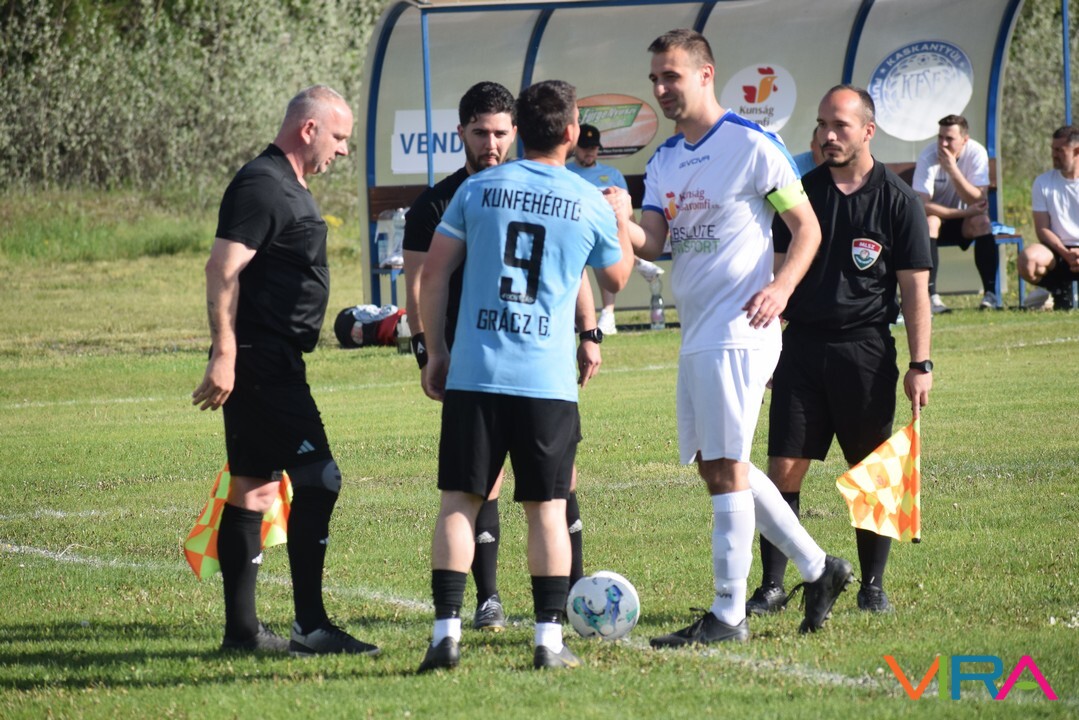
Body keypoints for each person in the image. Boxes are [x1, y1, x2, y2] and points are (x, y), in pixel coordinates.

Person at [628, 29, 853, 648]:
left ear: (705, 74)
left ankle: (728, 614)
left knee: (727, 467)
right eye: (654, 79)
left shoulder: (752, 145)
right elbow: (653, 241)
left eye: (671, 76)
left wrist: (781, 289)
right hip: (697, 331)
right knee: (716, 465)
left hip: (740, 328)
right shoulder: (664, 159)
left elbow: (806, 228)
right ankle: (820, 569)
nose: (661, 88)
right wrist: (618, 217)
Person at [415, 79, 635, 672]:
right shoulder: (586, 198)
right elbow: (616, 279)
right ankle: (547, 640)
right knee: (547, 508)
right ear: (571, 132)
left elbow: (433, 276)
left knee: (458, 503)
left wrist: (437, 351)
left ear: (519, 130)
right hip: (545, 381)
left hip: (476, 373)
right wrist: (622, 218)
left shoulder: (477, 189)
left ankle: (445, 635)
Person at [191, 85, 379, 656]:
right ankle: (311, 627)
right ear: (308, 128)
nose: (342, 150)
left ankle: (242, 634)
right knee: (320, 479)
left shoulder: (286, 183)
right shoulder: (262, 184)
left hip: (272, 357)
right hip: (261, 361)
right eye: (339, 137)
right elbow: (222, 268)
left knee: (253, 488)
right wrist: (225, 352)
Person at [749, 85, 934, 617]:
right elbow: (777, 275)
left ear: (868, 131)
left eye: (840, 126)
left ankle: (872, 586)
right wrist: (769, 345)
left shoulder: (899, 200)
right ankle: (773, 586)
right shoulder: (799, 193)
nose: (828, 135)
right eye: (822, 124)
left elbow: (914, 291)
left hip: (865, 351)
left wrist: (920, 364)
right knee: (784, 468)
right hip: (801, 348)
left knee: (873, 470)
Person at [567, 123, 664, 335]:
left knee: (606, 244)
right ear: (575, 147)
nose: (590, 152)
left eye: (594, 148)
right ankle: (638, 262)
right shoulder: (565, 172)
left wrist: (628, 235)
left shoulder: (612, 174)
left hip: (607, 232)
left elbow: (626, 212)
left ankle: (608, 315)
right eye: (585, 147)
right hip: (575, 232)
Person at [912, 114, 997, 312]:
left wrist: (953, 170)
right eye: (940, 137)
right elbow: (921, 205)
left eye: (949, 139)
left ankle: (991, 295)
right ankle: (931, 297)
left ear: (965, 140)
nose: (943, 144)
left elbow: (978, 200)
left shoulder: (976, 153)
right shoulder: (928, 156)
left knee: (982, 222)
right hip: (938, 221)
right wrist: (962, 213)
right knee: (931, 222)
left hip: (966, 221)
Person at [1017, 125, 1079, 311]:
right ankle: (1058, 291)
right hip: (1058, 250)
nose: (1054, 155)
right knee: (1028, 260)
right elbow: (1042, 229)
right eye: (1053, 149)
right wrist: (1066, 253)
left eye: (1060, 150)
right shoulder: (1042, 182)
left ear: (1076, 151)